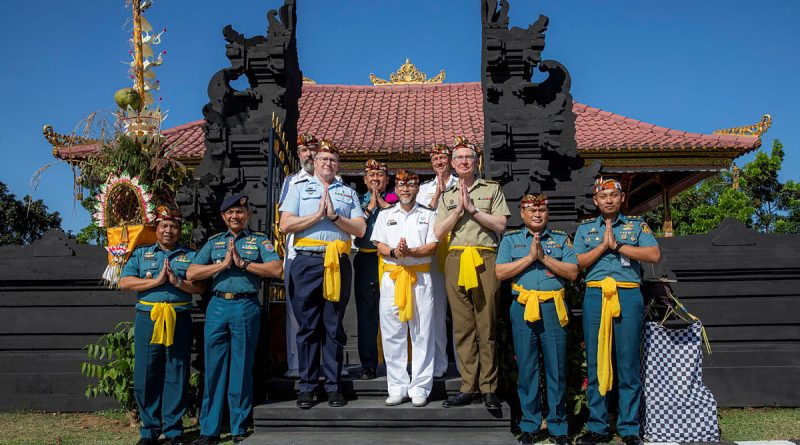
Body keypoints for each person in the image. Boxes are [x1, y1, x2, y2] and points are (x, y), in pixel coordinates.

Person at [187, 195, 283, 445]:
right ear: (223, 217)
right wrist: (221, 266)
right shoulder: (214, 243)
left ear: (247, 214)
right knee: (214, 368)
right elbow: (192, 272)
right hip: (217, 305)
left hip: (245, 305)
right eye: (229, 212)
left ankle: (239, 427)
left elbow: (276, 269)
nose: (235, 216)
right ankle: (210, 430)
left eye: (239, 211)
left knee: (241, 368)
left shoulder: (258, 241)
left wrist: (244, 263)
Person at [279, 140, 366, 409]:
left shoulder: (348, 193)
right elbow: (285, 225)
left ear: (338, 165)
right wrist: (317, 216)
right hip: (306, 261)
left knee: (332, 326)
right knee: (307, 326)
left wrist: (336, 218)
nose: (328, 163)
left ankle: (333, 385)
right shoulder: (298, 187)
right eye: (323, 159)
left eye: (333, 160)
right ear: (314, 163)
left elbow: (360, 230)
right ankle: (306, 386)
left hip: (337, 262)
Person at [573, 178, 661, 445]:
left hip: (628, 293)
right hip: (596, 294)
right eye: (603, 196)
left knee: (627, 361)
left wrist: (620, 246)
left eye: (614, 195)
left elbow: (654, 254)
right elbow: (576, 262)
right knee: (598, 359)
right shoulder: (586, 229)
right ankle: (598, 426)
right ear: (595, 201)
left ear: (622, 198)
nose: (609, 200)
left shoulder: (636, 225)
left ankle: (629, 427)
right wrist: (603, 246)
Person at [433, 137, 510, 410]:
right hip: (456, 258)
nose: (465, 161)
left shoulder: (491, 189)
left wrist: (473, 210)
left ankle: (489, 387)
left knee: (486, 325)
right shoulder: (447, 195)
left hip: (484, 257)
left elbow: (500, 224)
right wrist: (457, 213)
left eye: (469, 157)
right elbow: (438, 232)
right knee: (463, 328)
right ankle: (469, 386)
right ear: (452, 165)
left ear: (476, 161)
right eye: (459, 158)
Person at [495, 194, 578, 445]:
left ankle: (558, 426)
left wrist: (543, 257)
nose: (537, 214)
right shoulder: (511, 240)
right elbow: (500, 272)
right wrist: (530, 258)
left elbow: (572, 272)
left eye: (542, 210)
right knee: (527, 368)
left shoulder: (561, 240)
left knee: (556, 369)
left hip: (553, 307)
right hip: (523, 307)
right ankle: (530, 424)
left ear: (547, 213)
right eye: (531, 210)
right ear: (522, 213)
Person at [120, 206, 206, 445]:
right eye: (164, 226)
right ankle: (149, 430)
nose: (169, 230)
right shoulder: (141, 254)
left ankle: (173, 430)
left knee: (176, 372)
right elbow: (125, 282)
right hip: (149, 318)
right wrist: (157, 280)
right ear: (156, 229)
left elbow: (200, 287)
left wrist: (178, 282)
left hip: (179, 318)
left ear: (180, 230)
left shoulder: (190, 256)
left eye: (174, 226)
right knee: (146, 373)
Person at [371, 169, 439, 407]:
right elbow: (379, 244)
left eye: (410, 185)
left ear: (417, 188)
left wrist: (411, 252)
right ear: (396, 189)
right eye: (401, 185)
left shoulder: (429, 215)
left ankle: (420, 386)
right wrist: (393, 252)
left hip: (419, 277)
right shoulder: (385, 214)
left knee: (422, 333)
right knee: (392, 334)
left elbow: (432, 246)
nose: (406, 189)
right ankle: (397, 386)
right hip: (393, 278)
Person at [278, 133, 320, 379]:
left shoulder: (332, 179)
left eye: (312, 150)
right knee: (297, 311)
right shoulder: (291, 182)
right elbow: (285, 218)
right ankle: (296, 362)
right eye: (304, 150)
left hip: (325, 250)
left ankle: (326, 361)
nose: (309, 155)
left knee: (326, 309)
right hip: (296, 251)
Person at [416, 143, 458, 378]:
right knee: (437, 308)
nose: (440, 162)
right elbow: (423, 216)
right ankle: (440, 364)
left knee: (461, 308)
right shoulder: (424, 189)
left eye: (443, 158)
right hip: (435, 248)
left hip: (458, 247)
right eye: (435, 159)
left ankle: (463, 365)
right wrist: (438, 194)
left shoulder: (461, 182)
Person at [353, 159, 396, 380]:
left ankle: (396, 364)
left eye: (380, 176)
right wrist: (370, 207)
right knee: (367, 314)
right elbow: (355, 231)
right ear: (365, 179)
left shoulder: (397, 200)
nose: (376, 179)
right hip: (367, 259)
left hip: (391, 261)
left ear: (387, 180)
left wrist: (385, 205)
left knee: (395, 312)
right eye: (372, 176)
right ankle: (368, 364)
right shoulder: (355, 202)